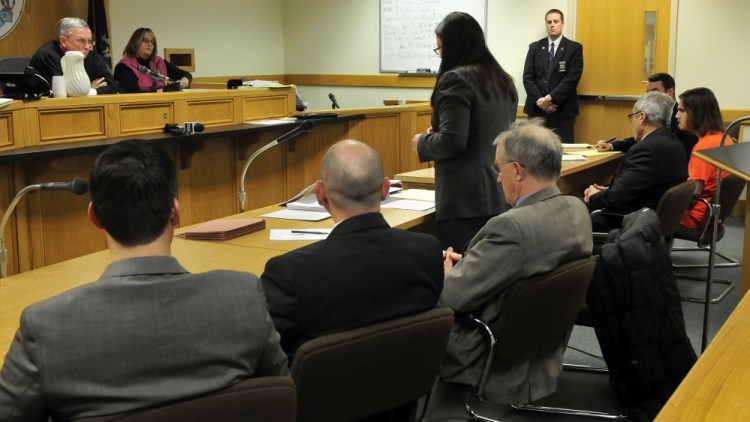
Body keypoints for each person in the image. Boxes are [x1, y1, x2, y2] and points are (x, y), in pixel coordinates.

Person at [0, 140, 288, 421]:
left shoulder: (47, 327)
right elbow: (284, 396)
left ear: (94, 218)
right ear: (175, 212)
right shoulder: (242, 296)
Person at [439, 119, 593, 403]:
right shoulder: (577, 209)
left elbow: (451, 297)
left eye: (500, 169)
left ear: (518, 171)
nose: (497, 178)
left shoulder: (511, 227)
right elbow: (527, 264)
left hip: (490, 355)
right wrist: (476, 263)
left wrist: (449, 272)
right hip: (541, 348)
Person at [262, 139, 443, 359]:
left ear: (319, 193)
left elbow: (267, 354)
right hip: (409, 387)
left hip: (321, 392)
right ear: (386, 189)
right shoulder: (427, 251)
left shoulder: (290, 274)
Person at [412, 11, 518, 251]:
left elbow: (452, 141)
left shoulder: (455, 79)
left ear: (454, 46)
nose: (440, 55)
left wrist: (423, 141)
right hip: (498, 189)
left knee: (461, 272)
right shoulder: (502, 78)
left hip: (465, 199)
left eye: (440, 48)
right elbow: (483, 129)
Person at [584, 91, 688, 230]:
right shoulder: (675, 144)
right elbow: (645, 186)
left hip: (629, 221)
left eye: (633, 116)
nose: (632, 122)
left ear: (642, 117)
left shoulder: (646, 149)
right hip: (653, 218)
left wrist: (594, 196)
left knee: (570, 209)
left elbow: (615, 200)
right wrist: (609, 190)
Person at [596, 73, 698, 160]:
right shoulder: (651, 111)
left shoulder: (683, 115)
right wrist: (611, 145)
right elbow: (644, 138)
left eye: (654, 91)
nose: (648, 96)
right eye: (647, 93)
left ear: (670, 92)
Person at [522, 9, 583, 143]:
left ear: (562, 23)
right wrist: (541, 101)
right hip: (537, 111)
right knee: (533, 151)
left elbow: (571, 79)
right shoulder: (535, 48)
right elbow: (528, 78)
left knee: (562, 153)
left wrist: (551, 98)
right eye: (549, 22)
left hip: (562, 111)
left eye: (556, 21)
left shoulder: (574, 48)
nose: (552, 25)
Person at [675, 87, 726, 229]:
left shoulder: (704, 148)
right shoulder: (724, 138)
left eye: (682, 110)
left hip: (693, 217)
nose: (676, 116)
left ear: (697, 113)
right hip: (711, 215)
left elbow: (692, 195)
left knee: (642, 207)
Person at [30, 17, 120, 95]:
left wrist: (90, 92)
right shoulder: (47, 56)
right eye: (81, 41)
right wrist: (90, 90)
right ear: (63, 41)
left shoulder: (92, 57)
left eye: (89, 41)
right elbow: (63, 93)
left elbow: (113, 88)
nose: (87, 47)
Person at [114, 28, 192, 93]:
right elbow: (134, 94)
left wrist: (185, 80)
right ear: (135, 43)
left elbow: (185, 74)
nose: (150, 44)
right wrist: (164, 90)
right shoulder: (125, 66)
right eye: (146, 40)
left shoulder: (158, 62)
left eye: (152, 42)